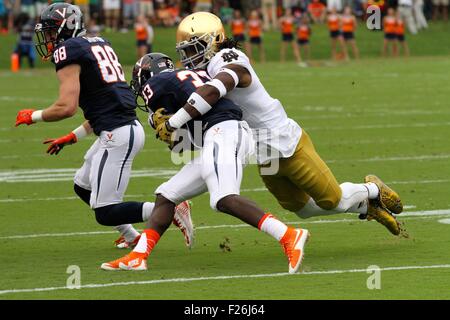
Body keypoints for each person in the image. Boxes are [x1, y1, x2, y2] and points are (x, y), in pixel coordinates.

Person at [162, 12, 405, 237]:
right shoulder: (201, 75)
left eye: (195, 48)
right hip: (264, 153)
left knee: (334, 200)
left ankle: (372, 189)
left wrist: (173, 122)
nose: (189, 57)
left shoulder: (229, 58)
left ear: (215, 40)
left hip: (285, 142)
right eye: (185, 51)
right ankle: (366, 208)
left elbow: (217, 88)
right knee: (303, 210)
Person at [101, 53, 310, 273]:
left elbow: (179, 133)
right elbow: (186, 144)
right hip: (222, 134)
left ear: (147, 75)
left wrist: (167, 124)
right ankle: (138, 256)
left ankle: (288, 235)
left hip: (224, 132)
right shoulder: (192, 76)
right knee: (166, 195)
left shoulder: (156, 83)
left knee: (223, 198)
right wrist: (173, 131)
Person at [15, 3, 193, 251]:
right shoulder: (98, 43)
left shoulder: (69, 49)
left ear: (68, 26)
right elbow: (106, 104)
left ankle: (168, 208)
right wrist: (73, 136)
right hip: (119, 127)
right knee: (82, 185)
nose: (48, 37)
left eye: (51, 30)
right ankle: (131, 236)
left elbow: (66, 106)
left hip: (117, 134)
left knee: (105, 212)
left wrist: (32, 115)